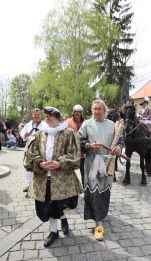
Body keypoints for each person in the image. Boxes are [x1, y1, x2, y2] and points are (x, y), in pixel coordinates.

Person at [25, 106, 82, 247]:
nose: (48, 117)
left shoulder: (68, 133)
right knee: (47, 204)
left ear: (58, 118)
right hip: (43, 177)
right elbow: (31, 153)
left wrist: (60, 163)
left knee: (59, 203)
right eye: (47, 116)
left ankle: (63, 218)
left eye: (51, 115)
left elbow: (74, 155)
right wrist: (40, 163)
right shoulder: (39, 134)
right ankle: (54, 231)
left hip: (61, 179)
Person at [78, 100, 123, 241]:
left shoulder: (112, 125)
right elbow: (78, 139)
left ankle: (100, 217)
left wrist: (119, 147)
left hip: (107, 163)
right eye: (94, 109)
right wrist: (89, 145)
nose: (96, 111)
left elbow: (121, 140)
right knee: (94, 192)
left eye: (99, 109)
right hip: (92, 163)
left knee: (103, 192)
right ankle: (98, 225)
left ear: (105, 111)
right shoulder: (87, 124)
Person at [20, 109, 44, 192]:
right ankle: (28, 184)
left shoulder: (44, 125)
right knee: (28, 167)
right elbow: (22, 133)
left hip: (40, 150)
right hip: (29, 149)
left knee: (40, 167)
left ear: (41, 116)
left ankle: (39, 185)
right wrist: (24, 135)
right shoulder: (28, 124)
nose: (36, 116)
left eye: (38, 115)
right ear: (32, 115)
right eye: (35, 115)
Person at [66, 104, 85, 184]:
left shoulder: (86, 123)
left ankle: (85, 189)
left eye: (79, 112)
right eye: (76, 112)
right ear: (73, 112)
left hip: (83, 153)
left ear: (81, 113)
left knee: (84, 172)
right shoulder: (67, 122)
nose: (77, 113)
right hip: (71, 152)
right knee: (68, 173)